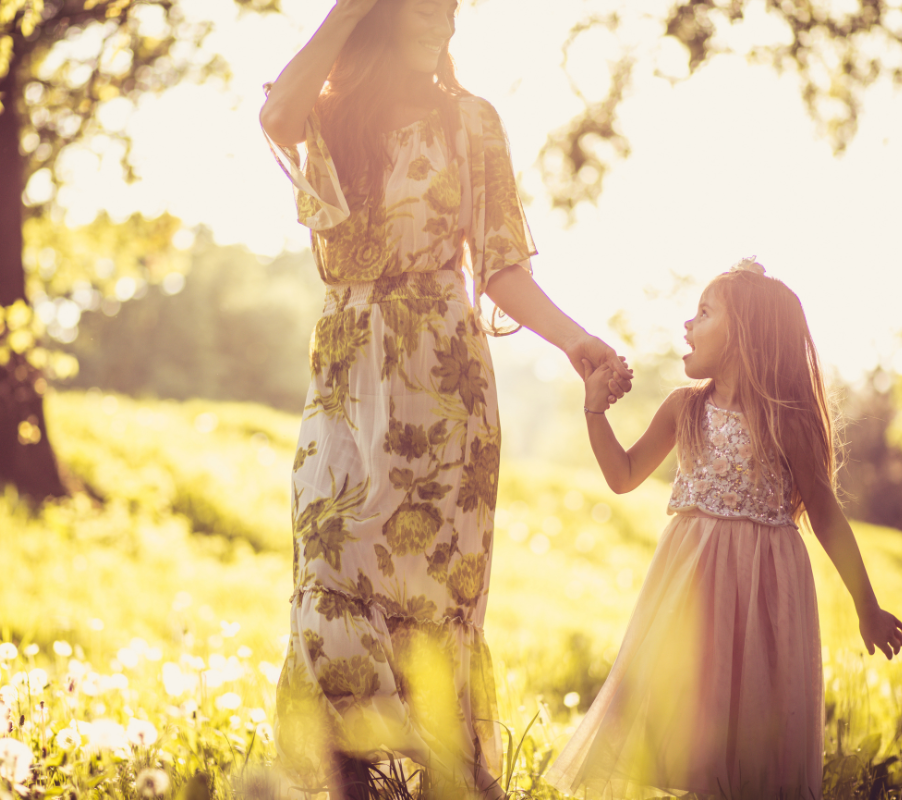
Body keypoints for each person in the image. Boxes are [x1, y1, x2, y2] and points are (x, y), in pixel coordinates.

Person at [259, 0, 633, 797]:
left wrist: (577, 344)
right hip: (346, 377)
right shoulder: (328, 114)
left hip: (443, 388)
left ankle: (452, 784)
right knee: (330, 577)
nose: (449, 22)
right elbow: (275, 114)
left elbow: (500, 265)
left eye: (456, 9)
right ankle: (349, 782)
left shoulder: (472, 122)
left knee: (432, 611)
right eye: (432, 4)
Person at [545, 258, 902, 799]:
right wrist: (595, 412)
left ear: (745, 334)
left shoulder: (788, 421)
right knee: (688, 721)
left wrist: (867, 606)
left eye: (703, 312)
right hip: (690, 588)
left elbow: (827, 515)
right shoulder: (684, 408)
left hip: (766, 591)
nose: (686, 325)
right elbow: (622, 476)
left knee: (753, 727)